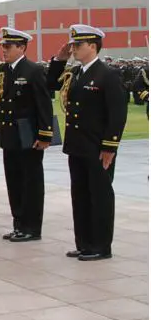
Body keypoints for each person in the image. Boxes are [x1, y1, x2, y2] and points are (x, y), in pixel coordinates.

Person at [47, 25, 128, 261]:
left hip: (97, 147)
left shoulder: (107, 74)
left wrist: (110, 146)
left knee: (100, 196)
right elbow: (50, 84)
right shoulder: (76, 73)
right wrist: (59, 61)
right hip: (78, 145)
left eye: (78, 45)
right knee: (80, 196)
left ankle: (101, 246)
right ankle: (84, 243)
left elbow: (117, 114)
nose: (73, 49)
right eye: (72, 45)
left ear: (93, 46)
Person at [0, 28, 53, 243]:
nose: (4, 50)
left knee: (30, 182)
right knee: (14, 181)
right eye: (3, 46)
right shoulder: (4, 71)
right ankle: (19, 224)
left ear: (22, 47)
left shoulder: (33, 70)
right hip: (10, 135)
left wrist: (45, 134)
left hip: (29, 135)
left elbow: (43, 104)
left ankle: (31, 227)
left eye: (9, 46)